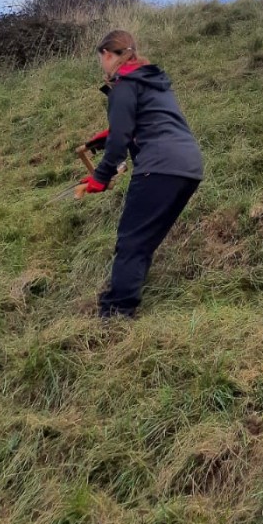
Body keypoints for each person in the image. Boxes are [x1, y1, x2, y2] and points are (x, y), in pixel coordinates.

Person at [77, 30, 204, 319]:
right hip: (188, 168)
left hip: (159, 166)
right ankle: (126, 297)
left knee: (132, 240)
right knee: (143, 239)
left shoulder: (123, 86)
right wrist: (110, 137)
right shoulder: (153, 81)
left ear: (108, 55)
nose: (102, 65)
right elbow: (150, 120)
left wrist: (100, 176)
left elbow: (120, 140)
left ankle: (117, 312)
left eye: (102, 59)